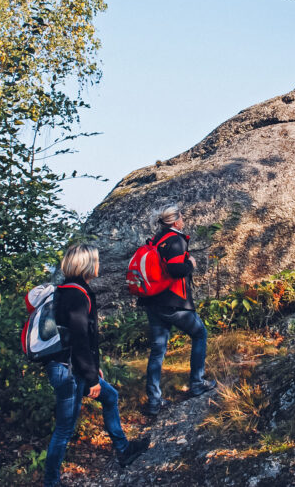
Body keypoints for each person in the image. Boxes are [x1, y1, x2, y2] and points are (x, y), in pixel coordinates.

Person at [43, 244, 148, 486]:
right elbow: (80, 339)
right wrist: (90, 378)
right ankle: (51, 482)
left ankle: (123, 450)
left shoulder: (65, 290)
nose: (99, 265)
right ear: (87, 264)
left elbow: (80, 338)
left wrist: (94, 367)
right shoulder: (78, 295)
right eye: (97, 261)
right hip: (69, 370)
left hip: (65, 365)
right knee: (64, 429)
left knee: (111, 397)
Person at [139, 204, 216, 417]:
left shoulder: (156, 239)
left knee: (158, 350)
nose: (183, 219)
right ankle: (197, 383)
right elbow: (175, 269)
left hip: (153, 302)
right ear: (175, 222)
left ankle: (154, 400)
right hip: (173, 302)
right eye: (181, 217)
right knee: (199, 333)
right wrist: (190, 263)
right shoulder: (175, 240)